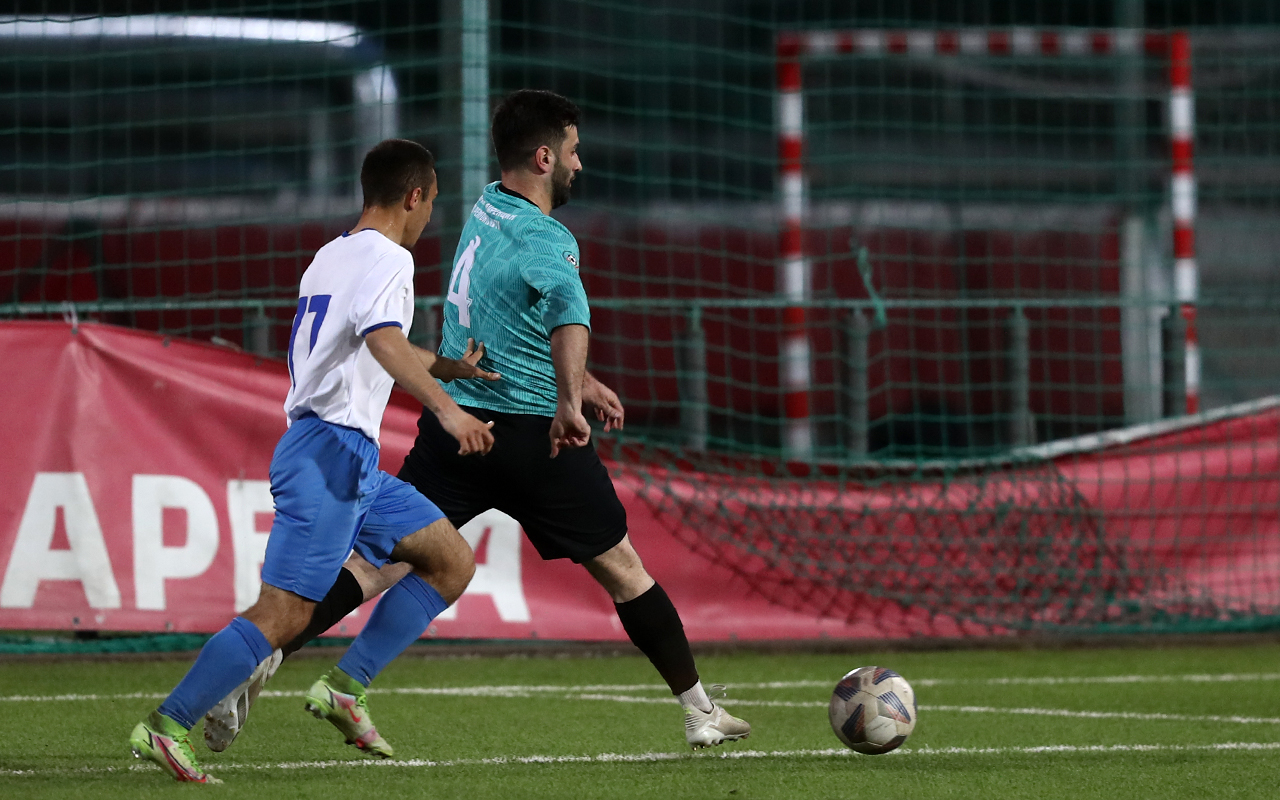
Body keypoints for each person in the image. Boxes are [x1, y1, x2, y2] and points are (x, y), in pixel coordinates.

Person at [207, 89, 750, 755]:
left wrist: (580, 380)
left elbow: (505, 318)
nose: (579, 165)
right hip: (530, 438)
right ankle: (700, 712)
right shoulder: (548, 237)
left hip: (458, 432)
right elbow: (567, 315)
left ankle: (260, 663)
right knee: (624, 569)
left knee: (380, 563)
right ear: (545, 157)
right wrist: (570, 401)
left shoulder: (485, 208)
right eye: (574, 151)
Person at [128, 139, 499, 783]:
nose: (429, 217)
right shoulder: (391, 257)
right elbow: (383, 339)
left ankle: (346, 688)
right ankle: (168, 723)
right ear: (414, 196)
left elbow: (373, 339)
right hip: (330, 453)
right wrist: (448, 409)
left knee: (450, 560)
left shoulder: (331, 255)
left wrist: (449, 367)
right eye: (431, 203)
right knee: (285, 612)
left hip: (346, 458)